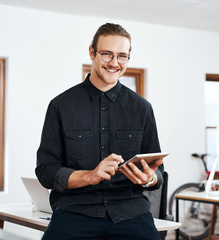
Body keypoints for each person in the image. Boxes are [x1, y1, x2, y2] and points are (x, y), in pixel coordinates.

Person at [35, 23, 164, 240]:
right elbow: (46, 171)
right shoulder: (60, 106)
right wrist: (90, 176)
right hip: (75, 211)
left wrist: (150, 179)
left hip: (130, 212)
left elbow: (159, 173)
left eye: (122, 56)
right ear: (92, 53)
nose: (114, 63)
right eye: (107, 54)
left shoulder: (142, 108)